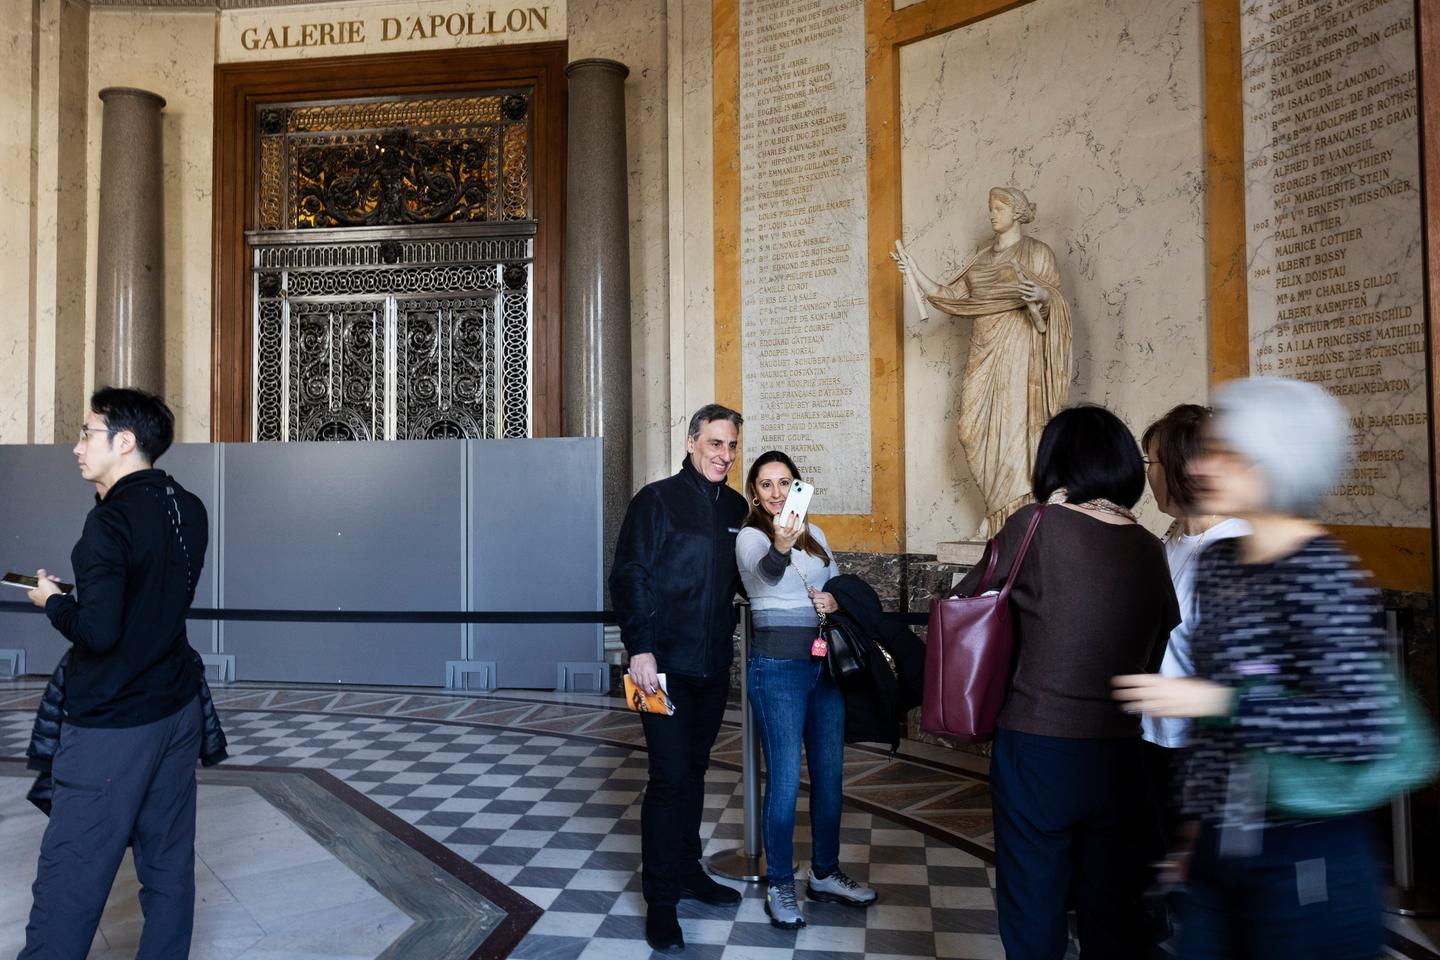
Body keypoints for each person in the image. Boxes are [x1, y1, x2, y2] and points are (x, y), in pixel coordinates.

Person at [1114, 377, 1404, 960]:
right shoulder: (1222, 563)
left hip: (1305, 846)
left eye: (1223, 452)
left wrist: (1217, 701)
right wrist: (1194, 832)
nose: (1202, 466)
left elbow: (1357, 728)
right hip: (1219, 846)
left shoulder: (1322, 575)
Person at [953, 404, 1178, 960]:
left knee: (1034, 900)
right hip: (1121, 753)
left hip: (1038, 744)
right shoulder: (1152, 548)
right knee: (1109, 908)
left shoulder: (1036, 526)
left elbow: (967, 596)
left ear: (1055, 461)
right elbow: (1158, 650)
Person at [19, 387, 210, 960]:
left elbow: (98, 635)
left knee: (73, 868)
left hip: (114, 723)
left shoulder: (107, 525)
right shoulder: (188, 505)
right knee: (169, 861)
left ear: (124, 442)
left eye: (86, 433)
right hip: (177, 707)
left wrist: (51, 601)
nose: (76, 447)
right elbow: (149, 597)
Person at [609, 403, 748, 953]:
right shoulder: (656, 500)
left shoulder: (737, 507)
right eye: (716, 443)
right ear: (691, 443)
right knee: (668, 779)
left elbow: (749, 577)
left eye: (732, 446)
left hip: (712, 669)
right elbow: (630, 575)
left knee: (693, 773)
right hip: (660, 667)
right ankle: (661, 903)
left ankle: (689, 872)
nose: (725, 455)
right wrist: (639, 646)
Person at [734, 451, 877, 929]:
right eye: (766, 484)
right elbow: (767, 575)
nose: (776, 493)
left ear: (798, 487)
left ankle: (825, 872)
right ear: (755, 492)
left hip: (824, 667)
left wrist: (834, 597)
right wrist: (780, 542)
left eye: (785, 483)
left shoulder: (816, 536)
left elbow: (837, 583)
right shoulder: (751, 537)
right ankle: (779, 883)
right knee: (785, 781)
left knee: (830, 776)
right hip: (777, 669)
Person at [892, 186, 1073, 535]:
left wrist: (1041, 295)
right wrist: (913, 270)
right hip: (983, 348)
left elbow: (1055, 302)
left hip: (1019, 348)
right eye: (991, 208)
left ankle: (1011, 521)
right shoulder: (981, 259)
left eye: (1000, 208)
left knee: (1018, 427)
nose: (993, 214)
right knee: (971, 430)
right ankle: (997, 512)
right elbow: (949, 296)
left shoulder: (1037, 253)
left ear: (1017, 212)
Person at [1139, 405, 1248, 846]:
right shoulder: (1172, 541)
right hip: (1154, 738)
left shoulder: (1235, 549)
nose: (1148, 475)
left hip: (1205, 753)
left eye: (1153, 462)